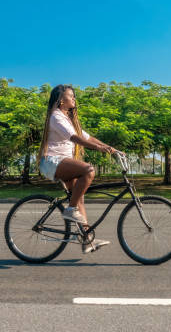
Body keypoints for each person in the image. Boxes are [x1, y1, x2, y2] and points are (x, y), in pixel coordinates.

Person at [37, 84, 118, 253]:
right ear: (61, 100)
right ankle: (70, 210)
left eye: (74, 96)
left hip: (62, 162)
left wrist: (111, 148)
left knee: (78, 197)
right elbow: (74, 138)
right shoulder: (56, 117)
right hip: (52, 162)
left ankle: (87, 240)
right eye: (70, 95)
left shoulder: (68, 119)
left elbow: (88, 137)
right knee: (88, 170)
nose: (74, 98)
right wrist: (98, 149)